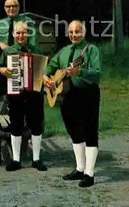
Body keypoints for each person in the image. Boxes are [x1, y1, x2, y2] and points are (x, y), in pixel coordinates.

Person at [43, 20, 101, 188]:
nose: (74, 35)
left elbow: (97, 73)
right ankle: (80, 168)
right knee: (73, 130)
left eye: (77, 31)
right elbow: (51, 66)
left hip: (87, 93)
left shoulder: (91, 50)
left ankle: (89, 173)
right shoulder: (64, 50)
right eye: (71, 32)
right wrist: (47, 77)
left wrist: (80, 71)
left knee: (89, 130)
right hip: (68, 95)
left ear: (83, 32)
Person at [0, 21, 47, 172]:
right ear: (13, 35)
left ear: (28, 33)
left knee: (36, 124)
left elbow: (42, 68)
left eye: (23, 32)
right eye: (18, 33)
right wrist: (2, 69)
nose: (21, 35)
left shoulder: (35, 50)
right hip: (16, 93)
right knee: (16, 124)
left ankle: (36, 159)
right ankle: (16, 159)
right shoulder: (8, 51)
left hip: (34, 93)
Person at [0, 0, 37, 126]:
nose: (11, 9)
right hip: (5, 61)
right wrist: (0, 44)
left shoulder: (27, 21)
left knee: (24, 93)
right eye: (8, 6)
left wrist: (26, 52)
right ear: (4, 8)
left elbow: (32, 41)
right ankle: (8, 118)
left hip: (23, 60)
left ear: (18, 7)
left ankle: (25, 121)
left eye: (14, 6)